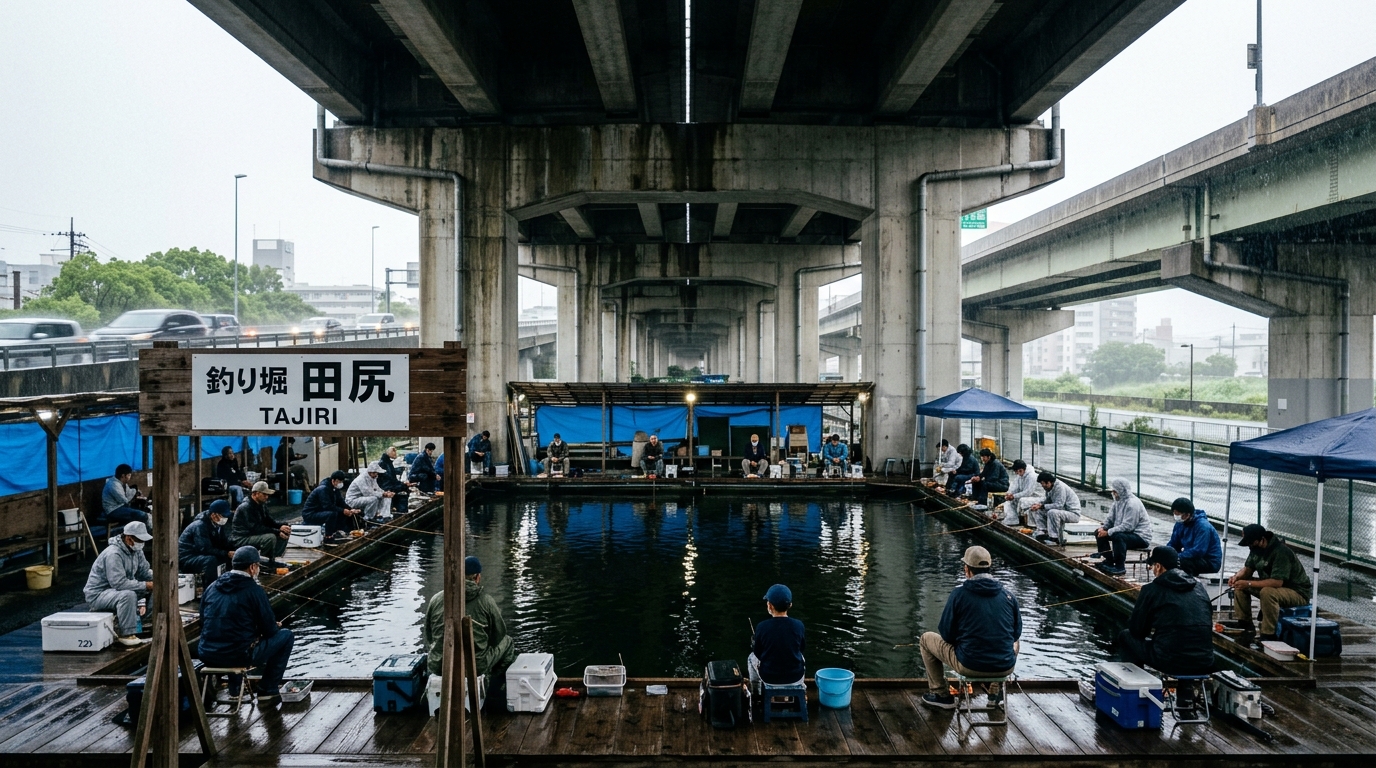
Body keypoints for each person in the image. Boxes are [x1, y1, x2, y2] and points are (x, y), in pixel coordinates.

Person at [920, 546, 1021, 709]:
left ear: (966, 570)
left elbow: (946, 634)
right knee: (1014, 641)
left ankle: (940, 695)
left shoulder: (958, 595)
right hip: (1004, 667)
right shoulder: (1009, 596)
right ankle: (995, 691)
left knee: (926, 639)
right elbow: (1016, 633)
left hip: (969, 665)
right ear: (989, 568)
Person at [199, 546, 295, 704]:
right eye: (258, 566)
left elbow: (203, 622)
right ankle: (268, 690)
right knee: (286, 636)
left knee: (232, 636)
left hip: (207, 653)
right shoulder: (254, 591)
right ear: (252, 567)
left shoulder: (212, 587)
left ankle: (234, 690)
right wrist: (274, 626)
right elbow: (270, 631)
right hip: (238, 655)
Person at [424, 556, 517, 709]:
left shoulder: (436, 599)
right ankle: (493, 686)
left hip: (439, 664)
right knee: (507, 642)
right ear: (477, 577)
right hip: (474, 666)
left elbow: (428, 634)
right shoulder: (486, 601)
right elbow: (499, 634)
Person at [1117, 546, 1214, 676]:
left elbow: (1137, 631)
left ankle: (1136, 683)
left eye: (1152, 566)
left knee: (1126, 636)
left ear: (1158, 566)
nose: (1152, 570)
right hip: (1205, 661)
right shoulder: (1199, 587)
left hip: (1170, 661)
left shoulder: (1151, 589)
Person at [1229, 524, 1312, 641]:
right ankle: (1245, 624)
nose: (1250, 546)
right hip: (1277, 588)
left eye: (1251, 543)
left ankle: (1268, 633)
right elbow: (1247, 569)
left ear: (1262, 539)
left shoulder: (1281, 552)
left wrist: (1248, 583)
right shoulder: (1255, 549)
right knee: (1240, 585)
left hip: (1297, 592)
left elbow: (1277, 582)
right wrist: (1236, 577)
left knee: (1267, 592)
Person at [83, 520, 154, 646]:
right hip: (98, 594)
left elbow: (144, 571)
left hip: (117, 590)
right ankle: (126, 633)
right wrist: (146, 585)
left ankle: (145, 623)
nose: (142, 544)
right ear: (129, 538)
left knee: (156, 589)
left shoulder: (137, 551)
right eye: (139, 540)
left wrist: (160, 579)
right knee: (128, 595)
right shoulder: (113, 553)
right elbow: (119, 583)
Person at [748, 584, 805, 695]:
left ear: (769, 605)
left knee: (751, 658)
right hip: (795, 677)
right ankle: (801, 689)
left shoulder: (762, 626)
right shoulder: (799, 625)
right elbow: (801, 648)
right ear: (790, 605)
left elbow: (757, 653)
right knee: (801, 657)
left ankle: (756, 693)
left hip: (769, 678)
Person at [1092, 479, 1153, 576]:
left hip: (1140, 537)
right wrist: (1104, 528)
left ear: (1121, 491)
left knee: (1118, 537)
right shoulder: (1117, 501)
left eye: (1115, 491)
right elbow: (1110, 518)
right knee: (1098, 533)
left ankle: (1120, 567)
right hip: (1126, 533)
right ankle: (1109, 560)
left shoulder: (1132, 504)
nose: (1113, 493)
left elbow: (1128, 526)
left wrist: (1108, 532)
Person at [229, 481, 290, 565]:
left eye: (267, 495)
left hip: (253, 533)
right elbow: (255, 528)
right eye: (264, 494)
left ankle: (273, 558)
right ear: (256, 494)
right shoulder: (246, 507)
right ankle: (262, 562)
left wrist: (281, 527)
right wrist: (277, 531)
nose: (267, 497)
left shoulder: (261, 504)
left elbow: (269, 521)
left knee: (284, 531)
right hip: (242, 537)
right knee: (270, 537)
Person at [179, 500, 235, 587]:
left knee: (226, 557)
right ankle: (210, 587)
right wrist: (226, 553)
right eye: (223, 516)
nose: (225, 518)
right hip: (188, 557)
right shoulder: (200, 525)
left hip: (200, 554)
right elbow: (204, 549)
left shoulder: (217, 525)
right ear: (213, 515)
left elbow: (222, 543)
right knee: (211, 561)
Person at [1166, 498, 1222, 576]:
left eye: (1178, 514)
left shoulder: (1203, 526)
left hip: (1208, 561)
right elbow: (1174, 543)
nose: (1176, 516)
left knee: (1180, 562)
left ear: (1187, 515)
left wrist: (1177, 557)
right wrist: (1166, 553)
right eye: (1174, 513)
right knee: (1165, 558)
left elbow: (1199, 551)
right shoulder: (1180, 523)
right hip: (1191, 556)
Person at [302, 471, 361, 538]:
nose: (340, 484)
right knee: (332, 514)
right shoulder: (323, 489)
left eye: (341, 482)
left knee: (341, 512)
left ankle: (338, 530)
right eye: (339, 481)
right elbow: (327, 506)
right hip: (310, 513)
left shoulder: (335, 488)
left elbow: (340, 502)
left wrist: (350, 509)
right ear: (333, 480)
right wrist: (343, 510)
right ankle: (328, 535)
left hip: (320, 511)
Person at [1028, 472, 1081, 544]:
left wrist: (1042, 506)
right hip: (1063, 511)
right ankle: (1043, 531)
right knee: (1038, 510)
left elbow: (1059, 505)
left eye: (1043, 484)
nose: (1043, 486)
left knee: (1052, 512)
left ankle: (1054, 537)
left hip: (1073, 514)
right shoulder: (1050, 488)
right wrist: (1039, 505)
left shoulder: (1060, 487)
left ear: (1049, 482)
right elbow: (1047, 500)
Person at [998, 460, 1043, 527]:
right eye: (1017, 472)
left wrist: (1014, 496)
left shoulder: (1032, 476)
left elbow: (1028, 492)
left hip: (1037, 497)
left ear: (1023, 469)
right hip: (1027, 496)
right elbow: (1015, 486)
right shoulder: (1020, 475)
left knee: (1022, 500)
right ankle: (1012, 519)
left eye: (1020, 471)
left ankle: (1027, 521)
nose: (1018, 473)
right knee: (1009, 501)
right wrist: (1009, 493)